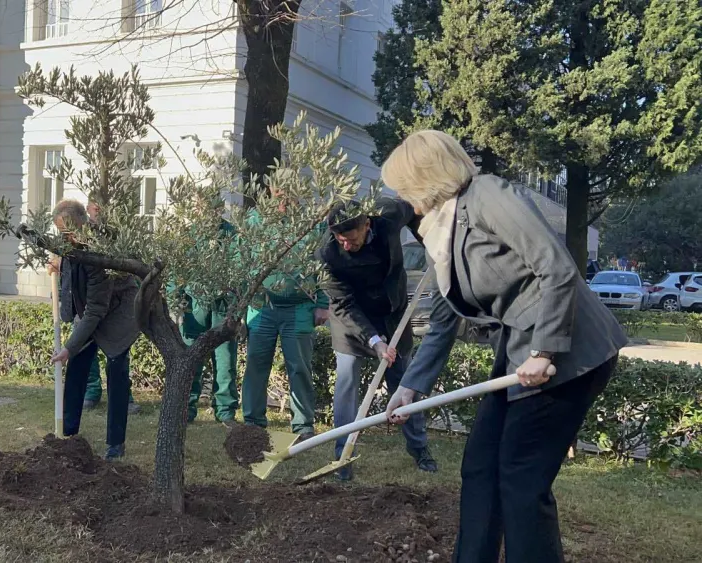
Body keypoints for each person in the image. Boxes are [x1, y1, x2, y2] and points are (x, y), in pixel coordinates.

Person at [379, 130, 628, 563]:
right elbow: (443, 324)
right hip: (519, 351)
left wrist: (546, 351)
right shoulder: (445, 231)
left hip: (567, 353)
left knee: (521, 479)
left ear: (424, 178)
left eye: (403, 187)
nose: (403, 198)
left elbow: (557, 268)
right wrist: (409, 389)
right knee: (480, 467)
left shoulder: (487, 195)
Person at [316, 198, 436, 480]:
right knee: (346, 385)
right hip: (351, 322)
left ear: (367, 224)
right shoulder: (326, 254)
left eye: (352, 239)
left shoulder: (388, 214)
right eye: (340, 239)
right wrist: (374, 340)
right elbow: (343, 305)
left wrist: (430, 242)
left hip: (393, 314)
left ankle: (419, 449)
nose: (346, 245)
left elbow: (415, 208)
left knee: (405, 382)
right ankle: (342, 460)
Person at [49, 199, 140, 460]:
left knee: (116, 371)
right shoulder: (70, 246)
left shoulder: (98, 252)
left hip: (119, 315)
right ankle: (67, 435)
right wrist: (59, 265)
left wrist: (68, 347)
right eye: (60, 232)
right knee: (76, 367)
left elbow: (96, 310)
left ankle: (115, 444)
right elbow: (78, 290)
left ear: (81, 225)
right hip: (92, 311)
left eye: (67, 232)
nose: (64, 237)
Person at [240, 190, 329, 440]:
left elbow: (322, 266)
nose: (284, 201)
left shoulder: (311, 224)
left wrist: (322, 303)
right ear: (271, 193)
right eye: (279, 194)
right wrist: (240, 307)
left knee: (299, 366)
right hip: (261, 307)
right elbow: (241, 262)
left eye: (289, 196)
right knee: (256, 365)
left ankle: (303, 426)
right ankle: (253, 422)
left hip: (299, 308)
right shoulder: (255, 221)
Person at [172, 194, 240, 426]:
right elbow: (176, 269)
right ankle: (186, 408)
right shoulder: (189, 236)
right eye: (203, 209)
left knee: (225, 360)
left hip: (223, 307)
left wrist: (237, 305)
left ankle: (226, 411)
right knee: (192, 358)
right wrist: (177, 300)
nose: (208, 215)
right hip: (195, 306)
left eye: (213, 210)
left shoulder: (231, 234)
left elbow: (241, 269)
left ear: (219, 210)